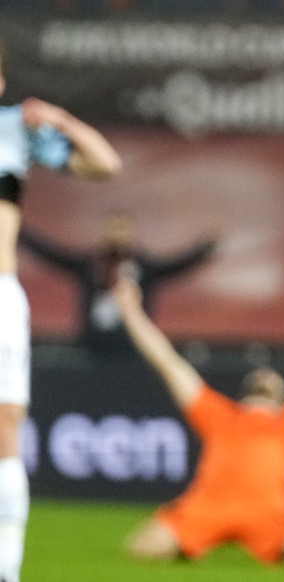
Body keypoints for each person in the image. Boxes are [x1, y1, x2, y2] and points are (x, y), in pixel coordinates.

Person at [111, 276, 284, 566]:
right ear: (245, 393)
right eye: (259, 380)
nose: (265, 378)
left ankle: (257, 547)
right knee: (141, 550)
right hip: (207, 507)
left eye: (272, 381)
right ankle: (200, 545)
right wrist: (131, 311)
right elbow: (167, 363)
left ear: (282, 400)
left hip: (270, 514)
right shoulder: (220, 414)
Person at [0, 42, 121, 582]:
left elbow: (105, 164)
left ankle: (7, 567)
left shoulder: (14, 130)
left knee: (5, 427)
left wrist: (60, 119)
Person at [19, 209, 219, 354]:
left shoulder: (142, 265)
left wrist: (205, 249)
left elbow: (176, 266)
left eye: (122, 229)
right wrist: (18, 232)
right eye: (113, 228)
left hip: (133, 348)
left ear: (131, 233)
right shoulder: (90, 262)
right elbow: (52, 254)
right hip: (92, 346)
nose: (117, 234)